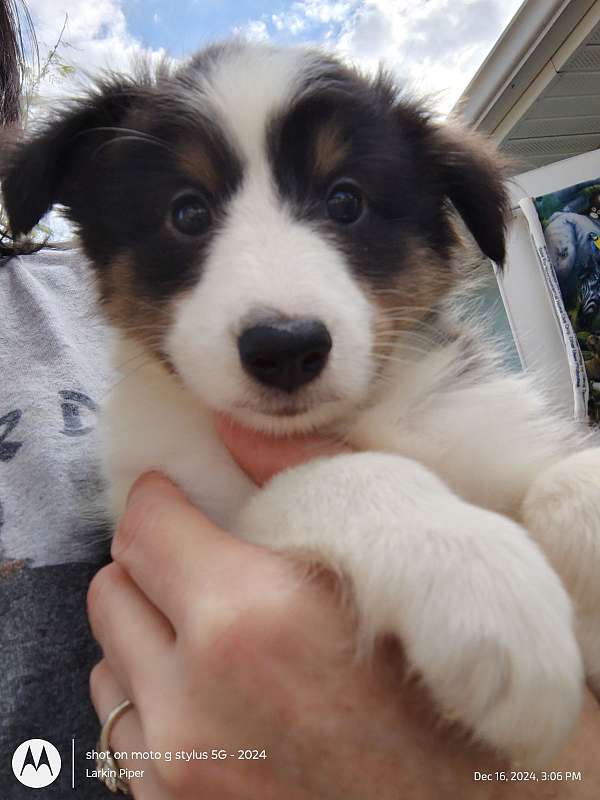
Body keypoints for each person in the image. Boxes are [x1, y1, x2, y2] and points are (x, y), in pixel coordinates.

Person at [1, 2, 599, 798]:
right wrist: (381, 508)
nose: (277, 309)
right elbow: (208, 545)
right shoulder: (157, 441)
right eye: (188, 212)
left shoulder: (466, 397)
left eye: (345, 204)